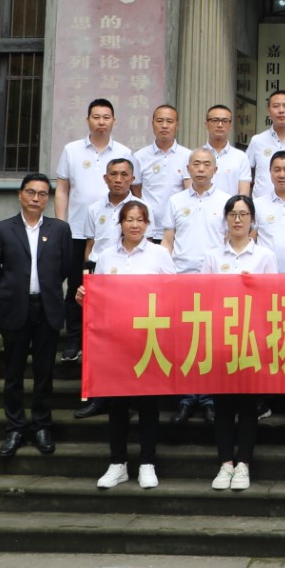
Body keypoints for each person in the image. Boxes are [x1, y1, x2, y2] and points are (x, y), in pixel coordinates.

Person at [78, 200, 172, 489]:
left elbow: (173, 294)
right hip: (115, 341)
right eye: (129, 219)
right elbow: (99, 296)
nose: (134, 225)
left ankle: (147, 463)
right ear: (120, 223)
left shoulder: (159, 254)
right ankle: (117, 463)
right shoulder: (106, 256)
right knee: (117, 404)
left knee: (148, 404)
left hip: (148, 339)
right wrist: (85, 296)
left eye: (140, 220)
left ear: (148, 224)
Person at [0, 173, 72, 458]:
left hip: (47, 308)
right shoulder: (2, 229)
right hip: (15, 308)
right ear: (20, 195)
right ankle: (15, 428)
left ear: (48, 199)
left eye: (43, 194)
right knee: (14, 372)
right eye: (31, 192)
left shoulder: (60, 229)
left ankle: (42, 426)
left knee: (44, 372)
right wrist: (10, 291)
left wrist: (47, 290)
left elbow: (65, 268)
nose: (36, 198)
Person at [204, 194, 277, 491]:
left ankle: (244, 463)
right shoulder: (212, 256)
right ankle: (225, 463)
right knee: (222, 405)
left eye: (243, 214)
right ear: (225, 219)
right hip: (221, 337)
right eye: (232, 214)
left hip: (252, 338)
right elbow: (203, 297)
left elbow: (273, 298)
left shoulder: (264, 256)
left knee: (248, 405)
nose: (237, 220)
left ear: (252, 220)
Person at [54, 98, 132, 361]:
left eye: (106, 117)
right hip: (77, 231)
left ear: (114, 121)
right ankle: (73, 340)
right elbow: (62, 189)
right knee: (77, 288)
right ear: (88, 120)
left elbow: (133, 191)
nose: (101, 122)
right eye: (96, 117)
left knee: (114, 290)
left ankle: (107, 340)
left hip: (114, 234)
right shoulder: (72, 150)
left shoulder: (124, 151)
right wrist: (61, 225)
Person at [162, 147, 231, 423]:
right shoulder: (175, 201)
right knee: (185, 342)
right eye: (196, 164)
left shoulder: (226, 201)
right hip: (182, 279)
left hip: (215, 281)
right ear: (187, 169)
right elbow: (168, 241)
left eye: (206, 164)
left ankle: (210, 398)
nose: (201, 169)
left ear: (215, 169)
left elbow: (229, 241)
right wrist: (166, 275)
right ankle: (186, 397)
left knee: (212, 342)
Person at [69, 156, 141, 420]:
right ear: (105, 178)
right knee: (99, 342)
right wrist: (88, 276)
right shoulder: (94, 208)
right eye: (113, 174)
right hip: (101, 279)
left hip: (130, 281)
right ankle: (98, 399)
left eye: (124, 174)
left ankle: (129, 398)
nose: (118, 179)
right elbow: (90, 245)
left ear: (132, 178)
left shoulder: (142, 208)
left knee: (129, 343)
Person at [132, 104, 191, 231]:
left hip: (177, 227)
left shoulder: (188, 156)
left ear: (177, 125)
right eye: (159, 121)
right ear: (152, 124)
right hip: (148, 228)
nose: (164, 125)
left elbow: (190, 191)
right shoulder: (139, 157)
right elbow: (136, 190)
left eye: (169, 121)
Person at [202, 104, 250, 196]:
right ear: (206, 124)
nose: (220, 125)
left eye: (225, 121)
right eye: (215, 120)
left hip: (231, 205)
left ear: (230, 125)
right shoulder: (196, 156)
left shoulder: (241, 157)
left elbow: (244, 193)